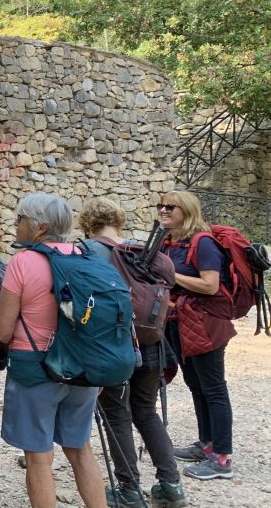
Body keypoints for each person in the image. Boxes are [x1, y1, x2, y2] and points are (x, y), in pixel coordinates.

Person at [0, 193, 106, 508]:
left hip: (35, 369)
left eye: (20, 219)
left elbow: (1, 331)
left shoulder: (23, 262)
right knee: (80, 448)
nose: (15, 224)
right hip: (83, 367)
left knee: (39, 457)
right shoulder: (89, 256)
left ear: (39, 228)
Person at [78, 198, 187, 508]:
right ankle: (171, 484)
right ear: (119, 220)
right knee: (145, 411)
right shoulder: (145, 253)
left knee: (116, 413)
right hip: (153, 343)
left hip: (113, 344)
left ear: (88, 223)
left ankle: (129, 489)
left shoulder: (88, 252)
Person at [158, 190, 236, 482]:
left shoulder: (203, 243)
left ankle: (222, 458)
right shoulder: (171, 242)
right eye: (161, 205)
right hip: (181, 322)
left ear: (187, 211)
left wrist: (169, 274)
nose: (163, 210)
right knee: (196, 384)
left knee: (213, 387)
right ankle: (206, 444)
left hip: (205, 324)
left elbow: (210, 285)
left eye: (170, 207)